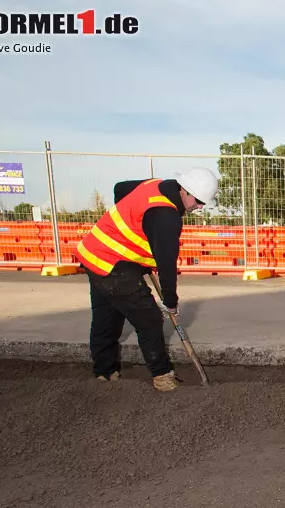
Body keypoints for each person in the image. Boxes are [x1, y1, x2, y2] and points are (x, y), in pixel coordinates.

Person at [74, 167, 218, 391]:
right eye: (198, 201)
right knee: (149, 318)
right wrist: (170, 301)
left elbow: (120, 189)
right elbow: (166, 263)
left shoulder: (156, 185)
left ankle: (105, 373)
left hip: (93, 253)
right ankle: (161, 375)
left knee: (107, 318)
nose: (199, 206)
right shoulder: (166, 216)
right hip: (113, 265)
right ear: (184, 190)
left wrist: (133, 218)